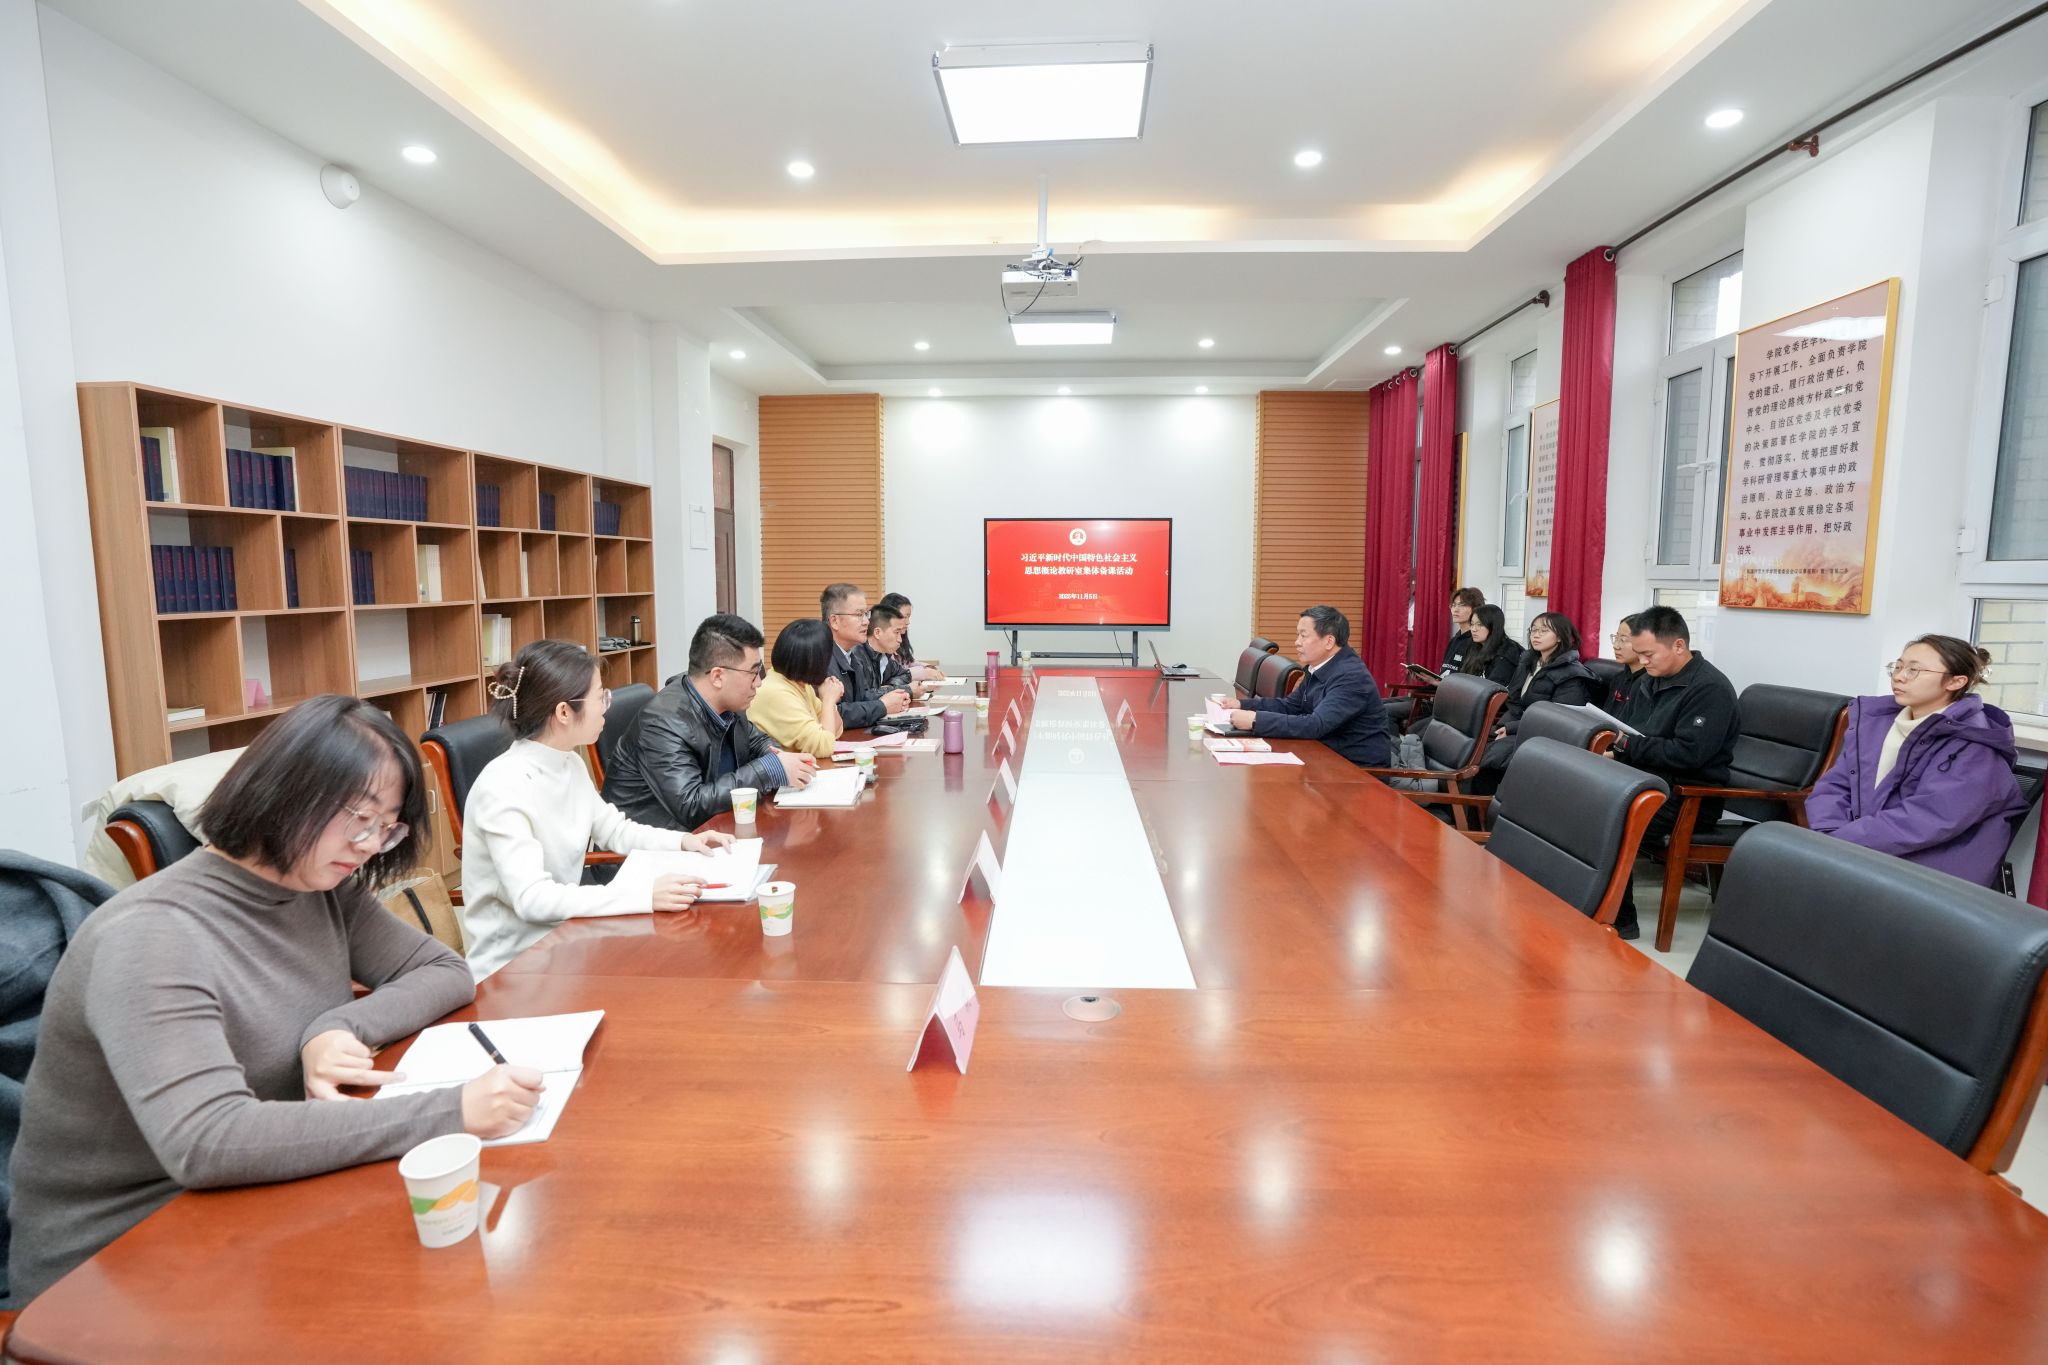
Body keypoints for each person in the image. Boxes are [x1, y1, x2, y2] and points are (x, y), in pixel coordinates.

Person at [6, 695, 539, 1306]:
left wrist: (337, 1027)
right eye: (359, 818)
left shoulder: (318, 885)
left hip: (255, 1200)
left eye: (386, 826)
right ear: (283, 793)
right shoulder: (149, 937)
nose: (370, 844)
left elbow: (443, 970)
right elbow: (208, 1140)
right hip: (118, 1265)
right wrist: (451, 1111)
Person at [460, 641, 733, 980]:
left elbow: (614, 829)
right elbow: (532, 899)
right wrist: (641, 895)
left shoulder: (569, 763)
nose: (607, 705)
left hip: (569, 939)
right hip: (514, 967)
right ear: (564, 712)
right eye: (600, 696)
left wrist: (683, 842)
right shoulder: (503, 787)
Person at [1805, 634, 2029, 887]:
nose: (1899, 677)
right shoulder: (1876, 723)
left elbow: (1927, 820)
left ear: (1956, 681)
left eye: (1914, 670)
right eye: (1898, 666)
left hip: (1929, 870)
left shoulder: (1976, 747)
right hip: (1863, 848)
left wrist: (1839, 842)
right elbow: (1835, 785)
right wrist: (1829, 833)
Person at [603, 613, 815, 831]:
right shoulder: (662, 724)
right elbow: (691, 806)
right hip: (652, 842)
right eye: (753, 673)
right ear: (717, 676)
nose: (759, 682)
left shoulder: (729, 702)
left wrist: (780, 759)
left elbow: (757, 742)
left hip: (712, 829)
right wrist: (767, 771)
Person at [1607, 605, 1741, 939]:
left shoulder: (1709, 689)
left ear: (1678, 645)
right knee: (1576, 798)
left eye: (1649, 654)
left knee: (1607, 818)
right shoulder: (1649, 681)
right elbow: (1634, 733)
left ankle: (1619, 920)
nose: (1643, 662)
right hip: (1643, 783)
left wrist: (1626, 746)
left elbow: (1688, 754)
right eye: (1639, 654)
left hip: (1685, 797)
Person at [1221, 605, 1390, 767]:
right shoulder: (1318, 667)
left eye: (1304, 636)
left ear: (1329, 641)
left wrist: (1256, 720)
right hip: (1325, 758)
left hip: (1358, 772)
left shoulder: (1351, 677)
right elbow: (1291, 706)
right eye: (1298, 635)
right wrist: (1242, 705)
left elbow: (1316, 725)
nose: (1297, 642)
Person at [1475, 612, 1599, 787]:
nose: (1536, 635)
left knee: (1489, 761)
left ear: (1559, 637)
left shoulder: (1571, 675)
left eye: (1544, 631)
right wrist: (1505, 727)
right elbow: (1514, 701)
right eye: (1533, 630)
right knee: (1472, 745)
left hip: (1543, 737)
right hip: (1517, 726)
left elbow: (1561, 721)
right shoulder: (1529, 661)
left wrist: (1511, 729)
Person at [749, 617, 847, 759]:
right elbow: (824, 746)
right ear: (816, 661)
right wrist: (829, 700)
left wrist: (828, 701)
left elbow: (835, 730)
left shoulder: (800, 683)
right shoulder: (776, 692)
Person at [822, 583, 907, 727]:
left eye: (866, 614)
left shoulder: (851, 656)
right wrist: (882, 706)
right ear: (835, 621)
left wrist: (893, 697)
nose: (867, 622)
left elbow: (862, 696)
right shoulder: (820, 659)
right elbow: (834, 713)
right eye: (859, 614)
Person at [856, 603, 918, 702]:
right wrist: (906, 690)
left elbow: (905, 674)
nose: (900, 640)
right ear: (877, 633)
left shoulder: (883, 656)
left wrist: (888, 687)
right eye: (896, 632)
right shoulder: (857, 657)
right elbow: (864, 697)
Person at [1458, 604, 1525, 687]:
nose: (1473, 629)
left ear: (1493, 626)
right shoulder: (1474, 645)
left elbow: (1494, 688)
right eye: (1472, 624)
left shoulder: (1507, 652)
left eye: (1480, 625)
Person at [1604, 613, 1649, 722]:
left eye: (1623, 640)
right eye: (1616, 638)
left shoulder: (1651, 684)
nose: (1616, 646)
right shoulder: (1618, 679)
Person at [1441, 587, 1486, 674]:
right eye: (1453, 605)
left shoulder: (1477, 640)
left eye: (1462, 605)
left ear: (1475, 608)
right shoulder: (1454, 640)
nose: (1455, 610)